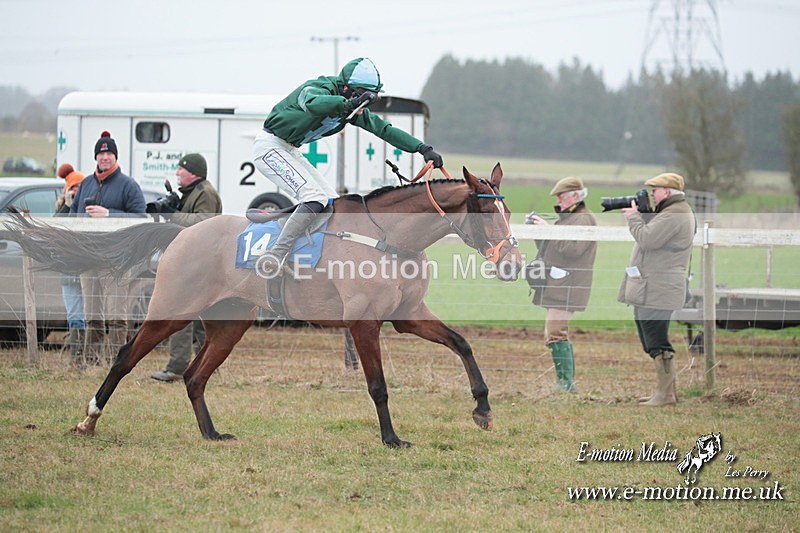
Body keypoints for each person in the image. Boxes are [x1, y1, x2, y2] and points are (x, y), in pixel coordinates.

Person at [253, 57, 444, 276]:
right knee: (314, 198)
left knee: (334, 202)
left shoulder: (350, 109)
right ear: (345, 89)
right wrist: (350, 104)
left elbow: (384, 130)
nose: (364, 106)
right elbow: (314, 104)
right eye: (361, 97)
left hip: (290, 150)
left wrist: (421, 148)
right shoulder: (316, 88)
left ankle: (315, 255)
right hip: (269, 147)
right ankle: (275, 256)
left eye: (369, 101)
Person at [618, 172, 695, 407]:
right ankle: (667, 393)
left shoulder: (675, 214)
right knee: (651, 338)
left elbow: (648, 239)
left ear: (667, 192)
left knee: (657, 339)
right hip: (653, 286)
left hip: (659, 287)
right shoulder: (672, 212)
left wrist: (633, 218)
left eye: (656, 190)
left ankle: (665, 395)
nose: (652, 193)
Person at [70, 131, 147, 364]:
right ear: (96, 157)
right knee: (92, 315)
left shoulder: (128, 185)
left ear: (115, 156)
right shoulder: (86, 184)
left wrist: (109, 215)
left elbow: (141, 218)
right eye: (101, 153)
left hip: (116, 260)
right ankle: (92, 361)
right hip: (88, 258)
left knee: (116, 316)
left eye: (109, 153)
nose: (105, 157)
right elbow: (73, 214)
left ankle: (116, 362)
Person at [149, 153, 222, 382]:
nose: (177, 173)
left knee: (180, 313)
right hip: (196, 263)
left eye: (181, 169)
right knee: (202, 320)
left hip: (199, 265)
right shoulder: (192, 193)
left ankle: (177, 367)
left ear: (194, 173)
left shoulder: (205, 194)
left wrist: (173, 214)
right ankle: (207, 366)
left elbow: (203, 223)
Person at [525, 177, 597, 391]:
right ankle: (564, 383)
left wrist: (550, 230)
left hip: (569, 285)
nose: (559, 200)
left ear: (575, 196)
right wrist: (541, 232)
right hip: (559, 283)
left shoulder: (583, 219)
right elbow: (554, 248)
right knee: (553, 332)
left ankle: (567, 385)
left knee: (556, 332)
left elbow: (572, 249)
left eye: (561, 196)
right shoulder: (571, 217)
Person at [55, 163, 87, 366]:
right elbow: (56, 226)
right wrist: (67, 205)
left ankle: (88, 355)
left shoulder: (88, 209)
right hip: (68, 270)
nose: (76, 191)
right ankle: (76, 357)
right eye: (73, 187)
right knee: (74, 313)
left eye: (79, 187)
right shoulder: (61, 209)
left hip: (86, 267)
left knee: (89, 313)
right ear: (66, 189)